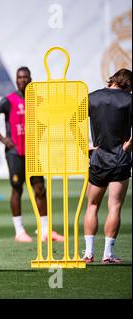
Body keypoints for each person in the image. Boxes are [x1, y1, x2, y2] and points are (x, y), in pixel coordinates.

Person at [0, 67, 64, 243]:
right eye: (19, 77)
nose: (22, 80)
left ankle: (45, 231)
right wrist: (3, 139)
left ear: (30, 79)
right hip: (14, 152)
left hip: (34, 152)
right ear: (16, 79)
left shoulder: (38, 100)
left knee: (40, 189)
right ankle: (19, 231)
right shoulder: (9, 101)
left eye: (25, 77)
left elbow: (48, 121)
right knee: (17, 188)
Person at [83, 68, 132, 264]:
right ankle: (108, 254)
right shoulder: (129, 100)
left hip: (98, 158)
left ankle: (88, 253)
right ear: (128, 84)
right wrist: (129, 144)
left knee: (92, 205)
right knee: (115, 206)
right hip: (120, 158)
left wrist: (84, 145)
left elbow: (71, 121)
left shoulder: (93, 97)